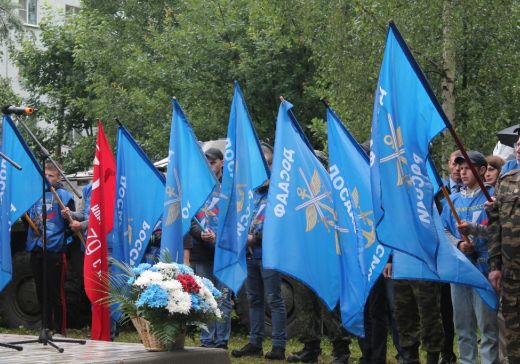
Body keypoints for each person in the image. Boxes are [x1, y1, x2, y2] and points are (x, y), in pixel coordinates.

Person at [286, 150, 352, 364]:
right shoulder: (299, 192)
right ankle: (310, 347)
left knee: (330, 304)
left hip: (327, 257)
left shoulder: (335, 192)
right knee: (305, 304)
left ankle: (341, 350)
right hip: (305, 257)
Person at [231, 144, 287, 360]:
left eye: (267, 165)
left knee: (274, 298)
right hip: (250, 255)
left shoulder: (279, 194)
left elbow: (282, 226)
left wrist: (257, 238)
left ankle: (279, 345)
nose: (263, 171)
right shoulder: (252, 195)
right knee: (253, 298)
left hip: (269, 254)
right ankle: (255, 341)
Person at [442, 151, 498, 364]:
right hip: (460, 271)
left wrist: (475, 232)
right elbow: (444, 231)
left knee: (487, 328)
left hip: (484, 269)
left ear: (482, 170)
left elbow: (499, 229)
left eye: (467, 168)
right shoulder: (453, 199)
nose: (462, 171)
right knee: (463, 327)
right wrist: (458, 243)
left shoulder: (492, 197)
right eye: (460, 168)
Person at [186, 147, 232, 349]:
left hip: (224, 251)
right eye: (207, 163)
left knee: (223, 298)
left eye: (213, 162)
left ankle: (221, 339)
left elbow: (235, 220)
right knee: (206, 297)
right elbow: (192, 218)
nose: (210, 166)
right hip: (202, 251)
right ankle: (206, 339)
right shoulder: (198, 188)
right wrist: (201, 234)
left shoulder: (230, 188)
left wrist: (219, 236)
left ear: (222, 162)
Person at [26, 162, 75, 336]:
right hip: (36, 248)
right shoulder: (33, 195)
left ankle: (60, 329)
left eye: (51, 176)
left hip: (54, 250)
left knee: (55, 291)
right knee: (41, 290)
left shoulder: (64, 196)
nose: (47, 179)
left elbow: (72, 226)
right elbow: (27, 221)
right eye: (44, 175)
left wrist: (62, 243)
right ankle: (45, 327)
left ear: (58, 178)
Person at [487, 164, 520, 363]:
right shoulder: (506, 180)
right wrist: (495, 267)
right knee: (513, 332)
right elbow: (495, 225)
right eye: (517, 143)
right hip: (511, 275)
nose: (519, 147)